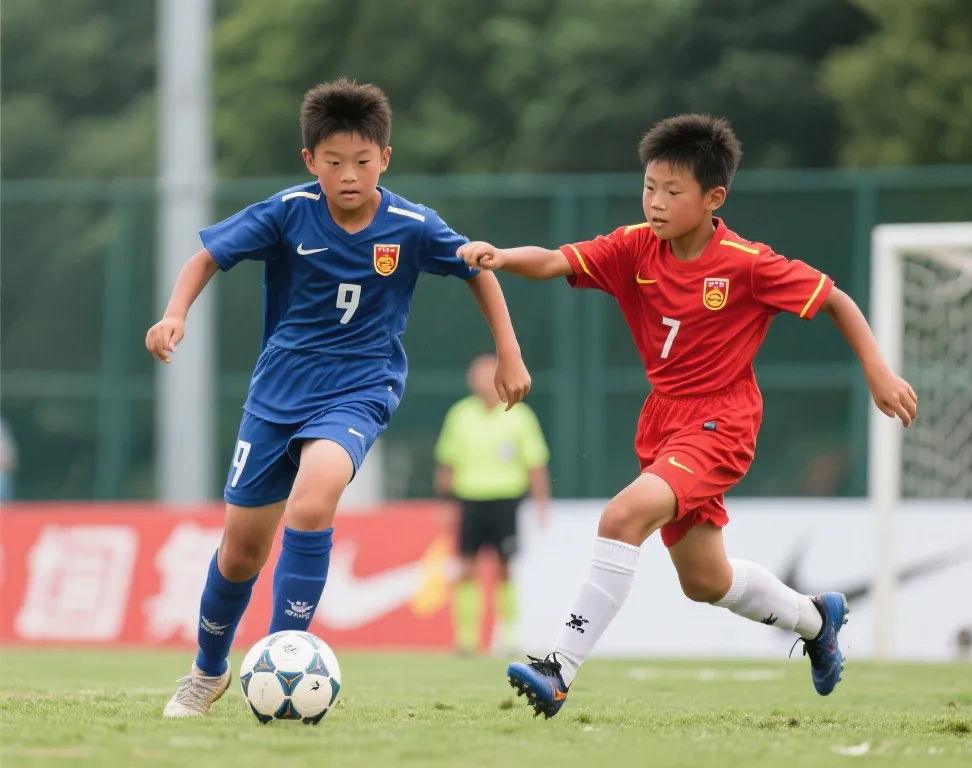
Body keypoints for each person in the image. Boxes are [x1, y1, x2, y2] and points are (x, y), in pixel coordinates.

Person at [458, 114, 917, 719]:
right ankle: (815, 620)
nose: (655, 202)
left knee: (622, 516)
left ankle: (558, 669)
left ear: (713, 198)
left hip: (721, 421)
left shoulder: (747, 263)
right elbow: (551, 261)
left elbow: (834, 299)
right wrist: (497, 257)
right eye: (649, 187)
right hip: (662, 421)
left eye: (672, 192)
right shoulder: (633, 247)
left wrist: (877, 370)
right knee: (705, 581)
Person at [145, 78, 532, 718]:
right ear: (310, 161)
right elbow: (204, 259)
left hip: (360, 386)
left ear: (385, 158)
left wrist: (509, 352)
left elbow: (476, 268)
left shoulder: (412, 225)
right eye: (333, 162)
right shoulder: (287, 211)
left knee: (315, 495)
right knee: (240, 552)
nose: (348, 175)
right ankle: (206, 671)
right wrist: (174, 314)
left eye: (361, 161)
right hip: (277, 392)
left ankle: (282, 655)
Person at [434, 353, 550, 656]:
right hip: (469, 500)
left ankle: (507, 637)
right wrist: (445, 504)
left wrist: (541, 504)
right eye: (477, 375)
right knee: (466, 567)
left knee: (505, 568)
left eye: (488, 374)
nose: (482, 381)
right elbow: (447, 463)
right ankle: (467, 639)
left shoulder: (520, 415)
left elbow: (535, 463)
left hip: (506, 500)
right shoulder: (460, 415)